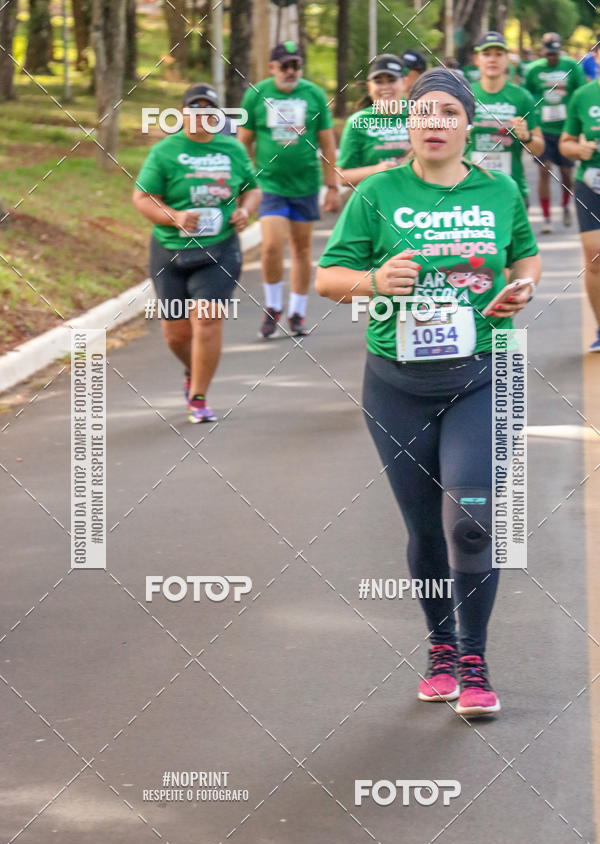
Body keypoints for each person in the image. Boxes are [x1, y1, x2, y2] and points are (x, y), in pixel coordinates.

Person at [315, 68, 541, 717]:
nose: (435, 122)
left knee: (469, 524)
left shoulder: (497, 190)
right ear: (407, 123)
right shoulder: (378, 193)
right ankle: (440, 647)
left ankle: (474, 659)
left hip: (481, 374)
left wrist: (518, 289)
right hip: (396, 385)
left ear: (469, 123)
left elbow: (524, 256)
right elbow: (331, 279)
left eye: (449, 112)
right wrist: (377, 280)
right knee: (424, 530)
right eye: (424, 112)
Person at [133, 83, 261, 423]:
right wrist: (175, 217)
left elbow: (252, 190)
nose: (201, 115)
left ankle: (199, 397)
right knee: (175, 333)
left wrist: (245, 211)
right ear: (183, 114)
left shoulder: (232, 149)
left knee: (206, 318)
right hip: (170, 250)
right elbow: (143, 197)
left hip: (220, 248)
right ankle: (194, 369)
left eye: (209, 110)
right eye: (195, 109)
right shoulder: (164, 151)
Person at [238, 41, 340, 339]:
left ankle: (297, 311)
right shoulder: (256, 95)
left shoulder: (314, 95)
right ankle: (272, 306)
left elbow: (327, 142)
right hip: (269, 184)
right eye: (285, 65)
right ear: (272, 68)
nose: (291, 71)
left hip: (306, 185)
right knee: (271, 245)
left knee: (301, 249)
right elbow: (243, 142)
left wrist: (331, 185)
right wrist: (244, 184)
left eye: (296, 65)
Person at [467, 31, 544, 206]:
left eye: (498, 54)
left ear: (507, 59)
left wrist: (527, 137)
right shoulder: (465, 94)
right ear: (476, 59)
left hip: (512, 190)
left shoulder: (522, 97)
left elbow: (538, 149)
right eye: (486, 54)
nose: (492, 59)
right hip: (472, 190)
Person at [559, 39, 600, 351]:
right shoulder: (582, 97)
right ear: (596, 57)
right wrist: (579, 149)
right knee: (595, 259)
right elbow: (565, 143)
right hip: (591, 184)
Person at [525, 32, 585, 232]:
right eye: (549, 54)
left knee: (567, 173)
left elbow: (581, 93)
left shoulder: (571, 67)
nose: (553, 57)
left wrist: (580, 123)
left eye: (555, 53)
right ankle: (546, 217)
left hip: (566, 129)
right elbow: (527, 94)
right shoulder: (534, 70)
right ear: (543, 51)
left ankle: (565, 205)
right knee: (544, 169)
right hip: (543, 129)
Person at [336, 54, 411, 188]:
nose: (385, 87)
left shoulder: (419, 115)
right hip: (374, 202)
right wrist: (376, 171)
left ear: (404, 83)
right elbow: (341, 176)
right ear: (369, 87)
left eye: (391, 80)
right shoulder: (358, 121)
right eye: (378, 81)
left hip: (414, 201)